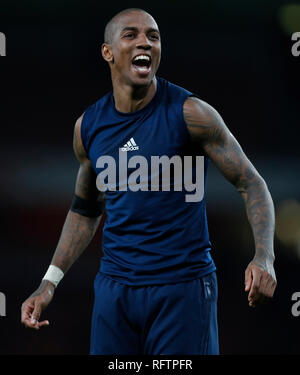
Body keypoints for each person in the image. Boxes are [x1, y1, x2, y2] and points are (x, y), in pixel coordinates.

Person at [21, 8, 277, 355]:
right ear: (107, 52)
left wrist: (264, 257)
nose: (145, 42)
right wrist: (48, 283)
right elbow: (85, 209)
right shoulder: (89, 127)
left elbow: (252, 183)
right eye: (131, 35)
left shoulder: (192, 114)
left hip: (182, 289)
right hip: (115, 292)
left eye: (153, 36)